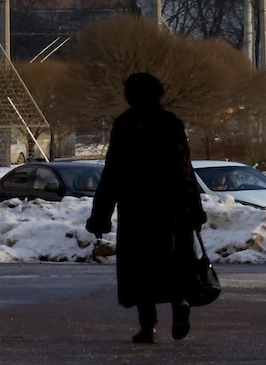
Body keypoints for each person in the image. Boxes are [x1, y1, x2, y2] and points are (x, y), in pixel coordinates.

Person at [86, 72, 207, 344]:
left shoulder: (125, 125)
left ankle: (147, 325)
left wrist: (100, 215)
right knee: (174, 262)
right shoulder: (170, 123)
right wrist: (194, 207)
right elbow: (185, 169)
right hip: (172, 209)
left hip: (136, 210)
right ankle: (180, 306)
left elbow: (112, 173)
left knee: (140, 269)